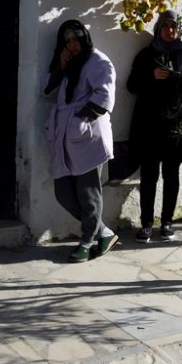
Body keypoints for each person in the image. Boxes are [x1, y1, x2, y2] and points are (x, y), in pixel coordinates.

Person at [43, 19, 119, 263]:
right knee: (63, 193)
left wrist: (80, 120)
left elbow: (105, 95)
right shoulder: (68, 64)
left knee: (89, 193)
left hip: (88, 137)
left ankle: (87, 241)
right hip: (66, 136)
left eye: (75, 39)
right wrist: (61, 67)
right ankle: (104, 233)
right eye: (67, 42)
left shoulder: (98, 61)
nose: (72, 45)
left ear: (84, 37)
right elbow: (45, 90)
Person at [127, 9, 182, 243]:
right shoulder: (146, 55)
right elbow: (131, 85)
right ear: (158, 29)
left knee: (172, 173)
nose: (170, 31)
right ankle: (146, 223)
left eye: (174, 27)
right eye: (166, 26)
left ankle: (167, 221)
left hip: (176, 124)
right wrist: (151, 76)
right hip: (150, 124)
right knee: (149, 175)